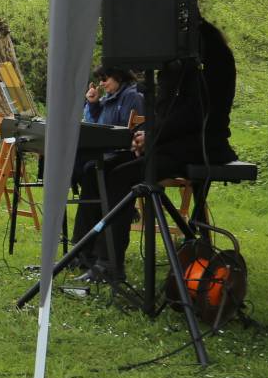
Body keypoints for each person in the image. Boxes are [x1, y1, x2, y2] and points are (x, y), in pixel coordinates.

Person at [73, 21, 238, 279]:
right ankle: (84, 254)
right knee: (98, 168)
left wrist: (152, 137)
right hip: (172, 142)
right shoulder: (182, 61)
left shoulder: (207, 62)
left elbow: (193, 114)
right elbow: (165, 112)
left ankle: (109, 264)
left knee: (120, 175)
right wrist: (145, 134)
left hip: (199, 147)